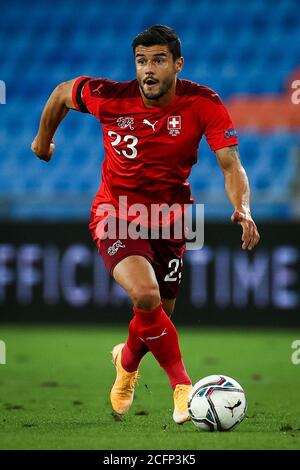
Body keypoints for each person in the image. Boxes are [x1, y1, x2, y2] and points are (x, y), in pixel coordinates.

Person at [31, 24, 260, 424]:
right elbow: (62, 93)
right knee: (146, 295)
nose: (148, 70)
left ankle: (127, 362)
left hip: (169, 221)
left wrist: (243, 208)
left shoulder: (202, 102)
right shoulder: (109, 97)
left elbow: (231, 164)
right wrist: (42, 141)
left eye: (157, 60)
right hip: (115, 215)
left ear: (177, 63)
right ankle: (183, 387)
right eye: (141, 61)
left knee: (155, 315)